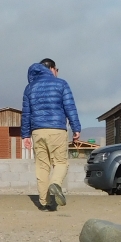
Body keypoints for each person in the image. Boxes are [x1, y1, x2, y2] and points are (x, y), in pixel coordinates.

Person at [21, 58, 81, 210]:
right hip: (57, 130)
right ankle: (55, 183)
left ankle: (44, 202)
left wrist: (25, 135)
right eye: (57, 70)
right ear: (52, 69)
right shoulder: (61, 84)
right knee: (60, 163)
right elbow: (70, 107)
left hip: (37, 131)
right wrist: (76, 128)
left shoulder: (29, 88)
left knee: (42, 166)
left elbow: (26, 113)